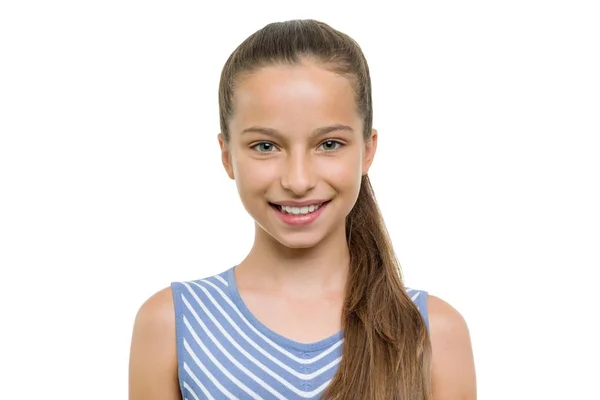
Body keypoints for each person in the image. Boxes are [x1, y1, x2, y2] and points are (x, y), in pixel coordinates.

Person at [128, 19, 476, 400]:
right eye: (265, 146)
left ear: (368, 150)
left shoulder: (433, 333)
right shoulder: (174, 326)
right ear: (227, 157)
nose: (298, 180)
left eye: (328, 144)